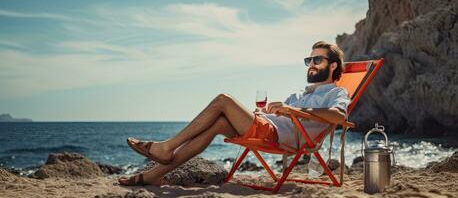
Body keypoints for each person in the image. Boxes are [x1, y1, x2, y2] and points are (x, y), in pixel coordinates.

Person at [118, 41, 350, 186]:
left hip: (277, 136)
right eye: (309, 59)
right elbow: (285, 113)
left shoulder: (336, 93)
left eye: (317, 59)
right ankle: (155, 175)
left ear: (332, 66)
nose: (310, 63)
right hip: (266, 125)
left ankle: (166, 147)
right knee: (218, 122)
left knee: (223, 100)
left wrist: (292, 110)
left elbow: (339, 117)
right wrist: (267, 111)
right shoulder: (301, 93)